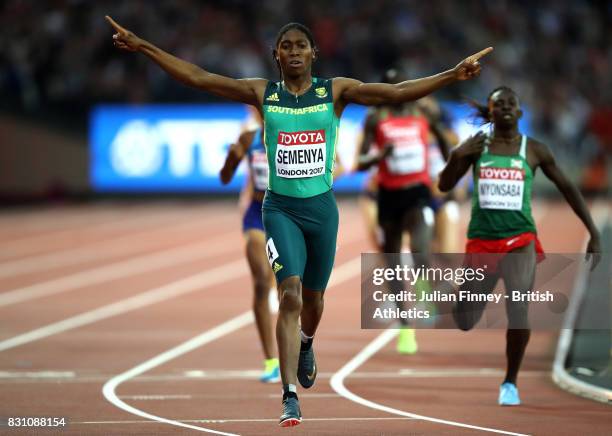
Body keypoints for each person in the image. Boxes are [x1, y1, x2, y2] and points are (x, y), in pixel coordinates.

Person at [106, 15, 492, 426]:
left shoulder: (335, 91)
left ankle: (307, 342)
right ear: (276, 54)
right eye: (285, 46)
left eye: (300, 45)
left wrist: (452, 75)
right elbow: (200, 78)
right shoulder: (262, 93)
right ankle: (289, 395)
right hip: (280, 209)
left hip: (322, 211)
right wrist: (145, 47)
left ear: (314, 53)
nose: (293, 51)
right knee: (287, 296)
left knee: (313, 301)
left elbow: (396, 92)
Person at [438, 86, 601, 406]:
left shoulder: (534, 150)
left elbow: (568, 187)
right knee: (464, 320)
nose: (507, 108)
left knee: (518, 307)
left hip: (520, 239)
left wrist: (593, 231)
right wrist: (458, 155)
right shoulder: (476, 148)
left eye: (512, 103)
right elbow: (444, 185)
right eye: (499, 104)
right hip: (482, 243)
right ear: (491, 112)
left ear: (520, 113)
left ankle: (510, 382)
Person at [356, 69, 452, 354]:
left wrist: (448, 168)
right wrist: (378, 157)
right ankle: (405, 326)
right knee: (393, 263)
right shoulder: (377, 118)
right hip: (388, 197)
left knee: (422, 253)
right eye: (391, 86)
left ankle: (424, 291)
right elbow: (360, 162)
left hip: (418, 193)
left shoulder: (423, 114)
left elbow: (445, 144)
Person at [220, 126, 280, 383]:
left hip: (286, 214)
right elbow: (224, 177)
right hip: (257, 215)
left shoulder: (296, 129)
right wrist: (232, 159)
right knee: (261, 282)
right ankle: (271, 361)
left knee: (293, 287)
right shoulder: (249, 139)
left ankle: (300, 347)